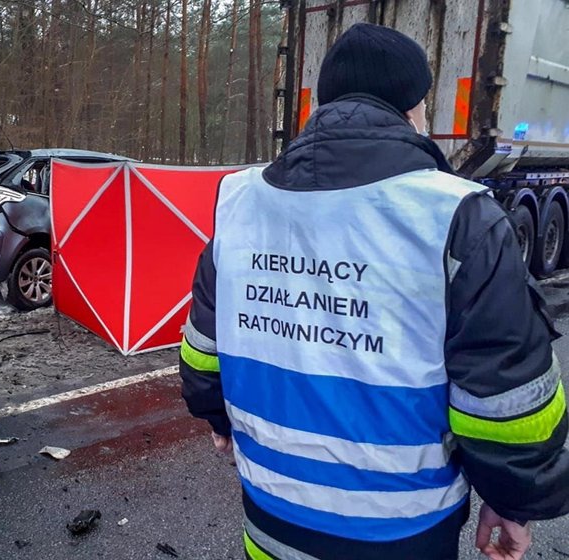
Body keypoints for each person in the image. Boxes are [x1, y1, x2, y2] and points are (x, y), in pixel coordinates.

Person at [179, 22, 569, 560]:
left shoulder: (239, 202)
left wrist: (216, 414)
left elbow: (204, 346)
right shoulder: (457, 214)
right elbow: (507, 397)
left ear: (324, 101)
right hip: (403, 533)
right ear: (413, 109)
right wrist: (513, 501)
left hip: (270, 520)